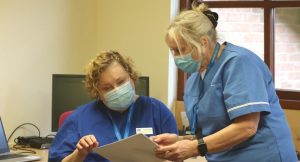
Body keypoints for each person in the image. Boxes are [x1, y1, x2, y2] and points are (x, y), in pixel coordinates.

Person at [151, 2, 298, 162]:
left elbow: (247, 127)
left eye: (181, 49)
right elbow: (210, 133)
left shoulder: (240, 63)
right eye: (173, 51)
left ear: (204, 42)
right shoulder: (195, 79)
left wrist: (193, 148)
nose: (177, 57)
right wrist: (178, 142)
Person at [48, 51, 178, 162]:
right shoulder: (79, 118)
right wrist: (79, 154)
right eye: (107, 88)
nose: (116, 90)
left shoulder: (157, 111)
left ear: (132, 77)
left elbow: (178, 155)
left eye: (121, 82)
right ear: (97, 91)